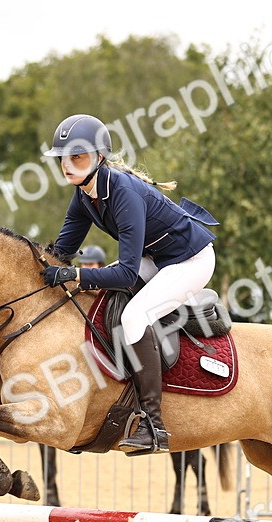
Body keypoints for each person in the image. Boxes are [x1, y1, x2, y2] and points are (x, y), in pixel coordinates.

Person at [39, 114, 219, 455]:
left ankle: (154, 425)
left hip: (190, 260)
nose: (67, 165)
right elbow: (60, 253)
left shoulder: (122, 191)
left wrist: (76, 275)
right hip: (158, 258)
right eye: (63, 158)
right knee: (98, 297)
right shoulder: (83, 196)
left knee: (134, 317)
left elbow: (124, 273)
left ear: (99, 158)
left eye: (77, 157)